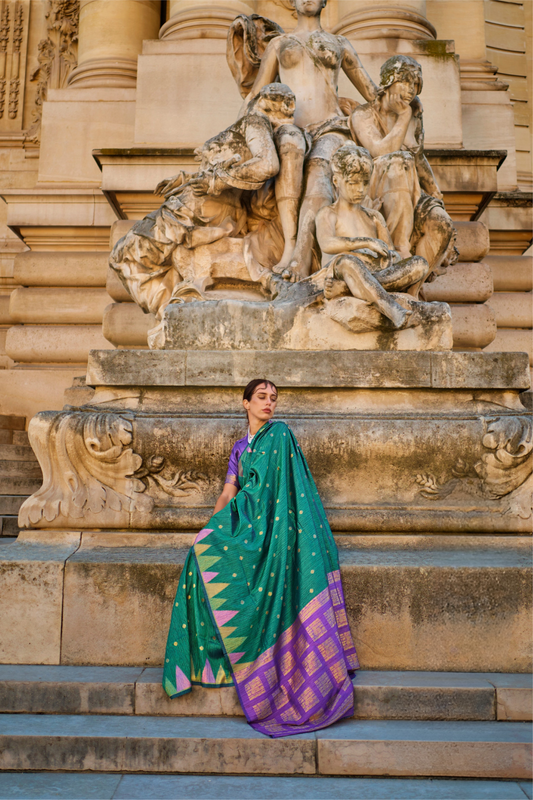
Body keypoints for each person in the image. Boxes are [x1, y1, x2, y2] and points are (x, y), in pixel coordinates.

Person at [163, 379, 359, 738]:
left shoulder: (280, 435)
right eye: (262, 397)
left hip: (275, 525)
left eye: (273, 398)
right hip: (248, 525)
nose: (269, 403)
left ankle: (270, 667)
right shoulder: (240, 448)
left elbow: (277, 489)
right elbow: (229, 493)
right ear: (245, 403)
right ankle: (220, 659)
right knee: (198, 559)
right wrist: (210, 528)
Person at [110, 84, 298, 321]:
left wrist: (213, 181)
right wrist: (186, 179)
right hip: (209, 204)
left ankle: (168, 312)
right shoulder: (253, 125)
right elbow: (232, 165)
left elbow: (268, 165)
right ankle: (172, 310)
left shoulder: (255, 121)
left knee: (123, 255)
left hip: (205, 206)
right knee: (130, 255)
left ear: (263, 102)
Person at [235, 0, 378, 278]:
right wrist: (237, 135)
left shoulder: (339, 43)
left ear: (325, 2)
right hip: (290, 127)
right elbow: (256, 94)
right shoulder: (279, 44)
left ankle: (300, 257)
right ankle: (289, 246)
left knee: (319, 172)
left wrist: (406, 105)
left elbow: (372, 93)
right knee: (290, 147)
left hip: (330, 127)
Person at [349, 54, 457, 273]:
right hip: (375, 190)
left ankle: (413, 286)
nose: (411, 90)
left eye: (415, 84)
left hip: (411, 190)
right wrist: (404, 116)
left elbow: (417, 156)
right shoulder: (363, 115)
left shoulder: (414, 116)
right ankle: (400, 250)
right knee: (398, 162)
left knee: (441, 224)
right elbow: (382, 152)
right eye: (406, 81)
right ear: (389, 81)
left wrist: (434, 191)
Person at [316, 143, 431, 327]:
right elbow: (326, 243)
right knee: (347, 261)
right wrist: (366, 243)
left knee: (420, 264)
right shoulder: (328, 213)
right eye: (353, 183)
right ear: (336, 180)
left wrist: (389, 255)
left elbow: (391, 253)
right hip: (344, 269)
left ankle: (346, 289)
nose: (360, 190)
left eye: (365, 183)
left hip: (375, 271)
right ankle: (392, 309)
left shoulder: (374, 217)